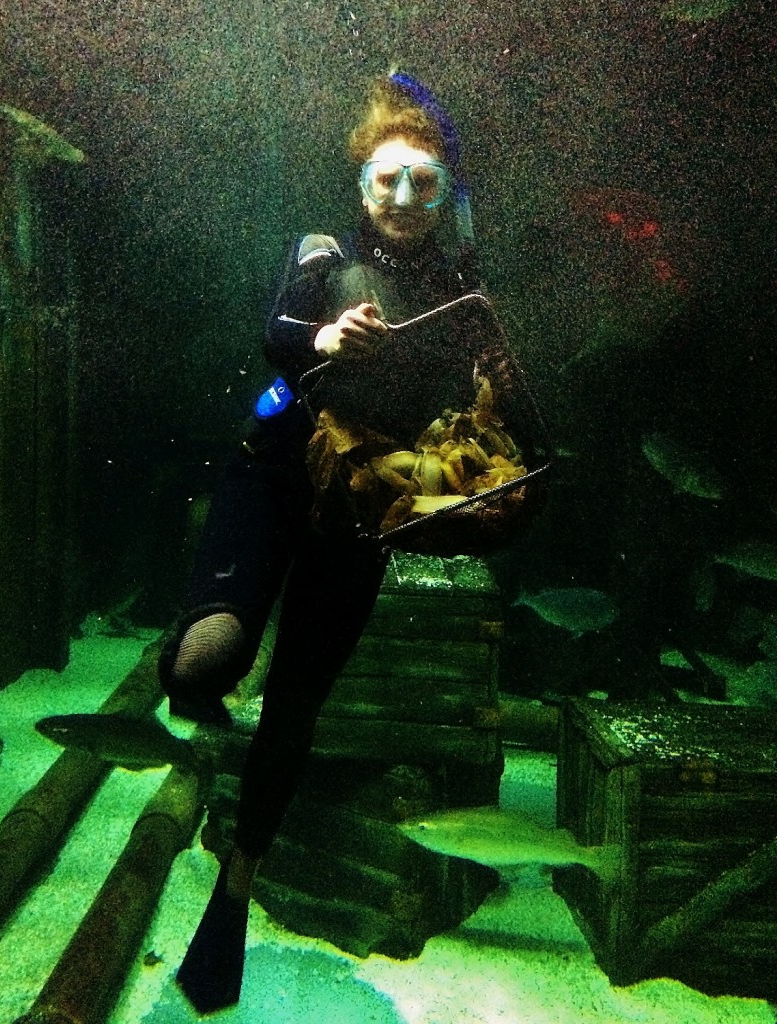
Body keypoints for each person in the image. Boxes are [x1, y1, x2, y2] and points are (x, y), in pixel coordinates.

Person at [159, 71, 529, 1014]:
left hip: (362, 516)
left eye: (425, 185)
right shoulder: (320, 253)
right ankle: (202, 687)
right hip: (275, 479)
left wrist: (492, 441)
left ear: (447, 195)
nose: (404, 200)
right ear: (362, 181)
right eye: (387, 180)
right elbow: (278, 333)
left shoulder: (462, 291)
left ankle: (235, 888)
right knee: (206, 662)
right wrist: (327, 339)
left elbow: (510, 428)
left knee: (294, 713)